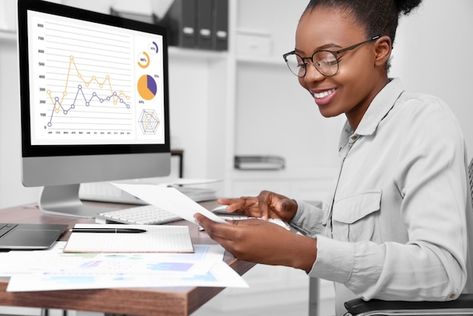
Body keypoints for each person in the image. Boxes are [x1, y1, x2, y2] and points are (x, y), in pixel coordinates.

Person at [195, 0, 473, 315]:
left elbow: (442, 271)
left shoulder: (424, 122)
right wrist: (296, 214)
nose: (309, 76)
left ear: (380, 51)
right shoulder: (354, 136)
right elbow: (360, 244)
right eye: (301, 61)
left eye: (327, 58)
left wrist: (301, 253)